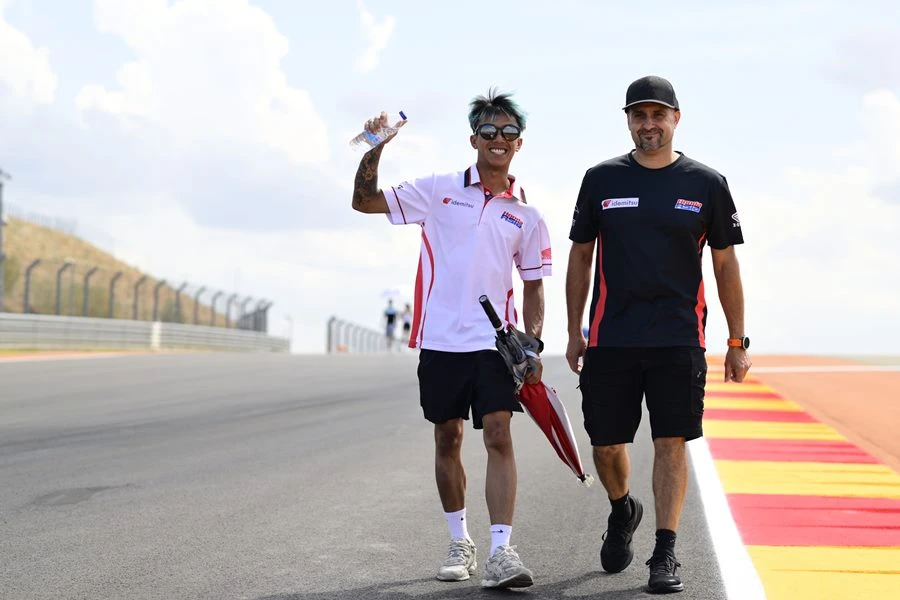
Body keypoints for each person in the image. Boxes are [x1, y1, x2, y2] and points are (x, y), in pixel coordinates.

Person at [351, 88, 552, 589]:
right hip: (440, 339)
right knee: (448, 437)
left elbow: (533, 284)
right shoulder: (438, 189)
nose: (498, 138)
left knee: (499, 434)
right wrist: (376, 146)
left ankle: (502, 552)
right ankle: (460, 542)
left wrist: (531, 345)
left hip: (495, 344)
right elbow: (364, 201)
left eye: (508, 131)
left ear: (519, 142)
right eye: (488, 130)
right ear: (473, 139)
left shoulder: (527, 214)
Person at [565, 75, 751, 595]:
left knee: (671, 441)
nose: (648, 124)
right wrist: (574, 330)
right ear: (628, 120)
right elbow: (580, 256)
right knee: (606, 445)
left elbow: (725, 263)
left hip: (678, 337)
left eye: (658, 114)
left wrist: (737, 341)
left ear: (676, 118)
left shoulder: (706, 183)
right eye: (639, 115)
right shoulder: (600, 179)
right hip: (610, 337)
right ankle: (622, 508)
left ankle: (665, 551)